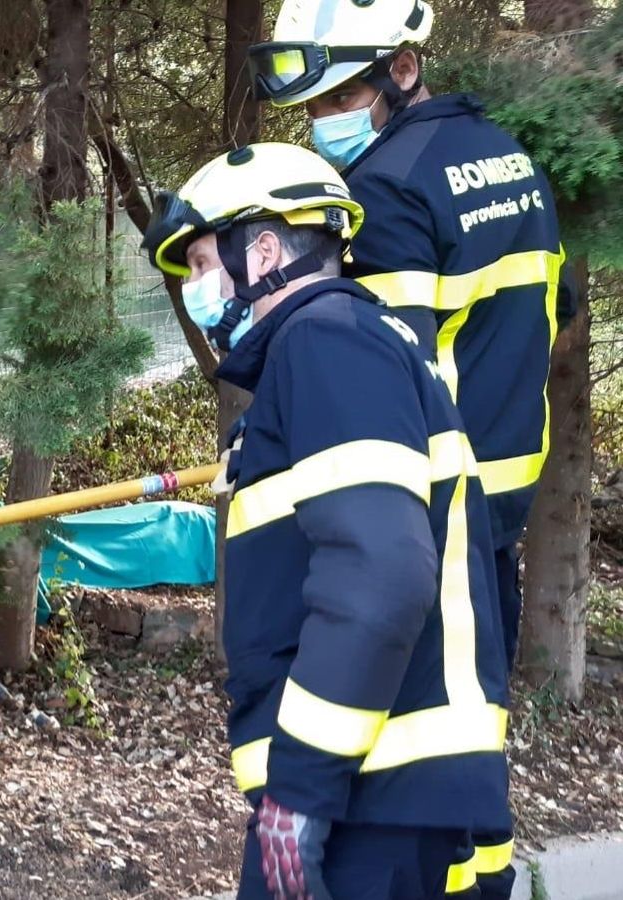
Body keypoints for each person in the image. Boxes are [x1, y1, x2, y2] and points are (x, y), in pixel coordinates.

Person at [141, 142, 512, 899]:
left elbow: (381, 576)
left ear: (263, 251)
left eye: (203, 262)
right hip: (385, 801)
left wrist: (299, 797)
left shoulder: (327, 341)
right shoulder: (356, 346)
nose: (197, 290)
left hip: (362, 810)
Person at [248, 9, 567, 891]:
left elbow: (383, 370)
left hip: (429, 512)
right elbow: (553, 311)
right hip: (501, 501)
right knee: (472, 729)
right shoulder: (507, 157)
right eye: (313, 106)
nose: (324, 122)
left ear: (402, 67)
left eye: (340, 98)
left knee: (409, 749)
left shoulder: (384, 188)